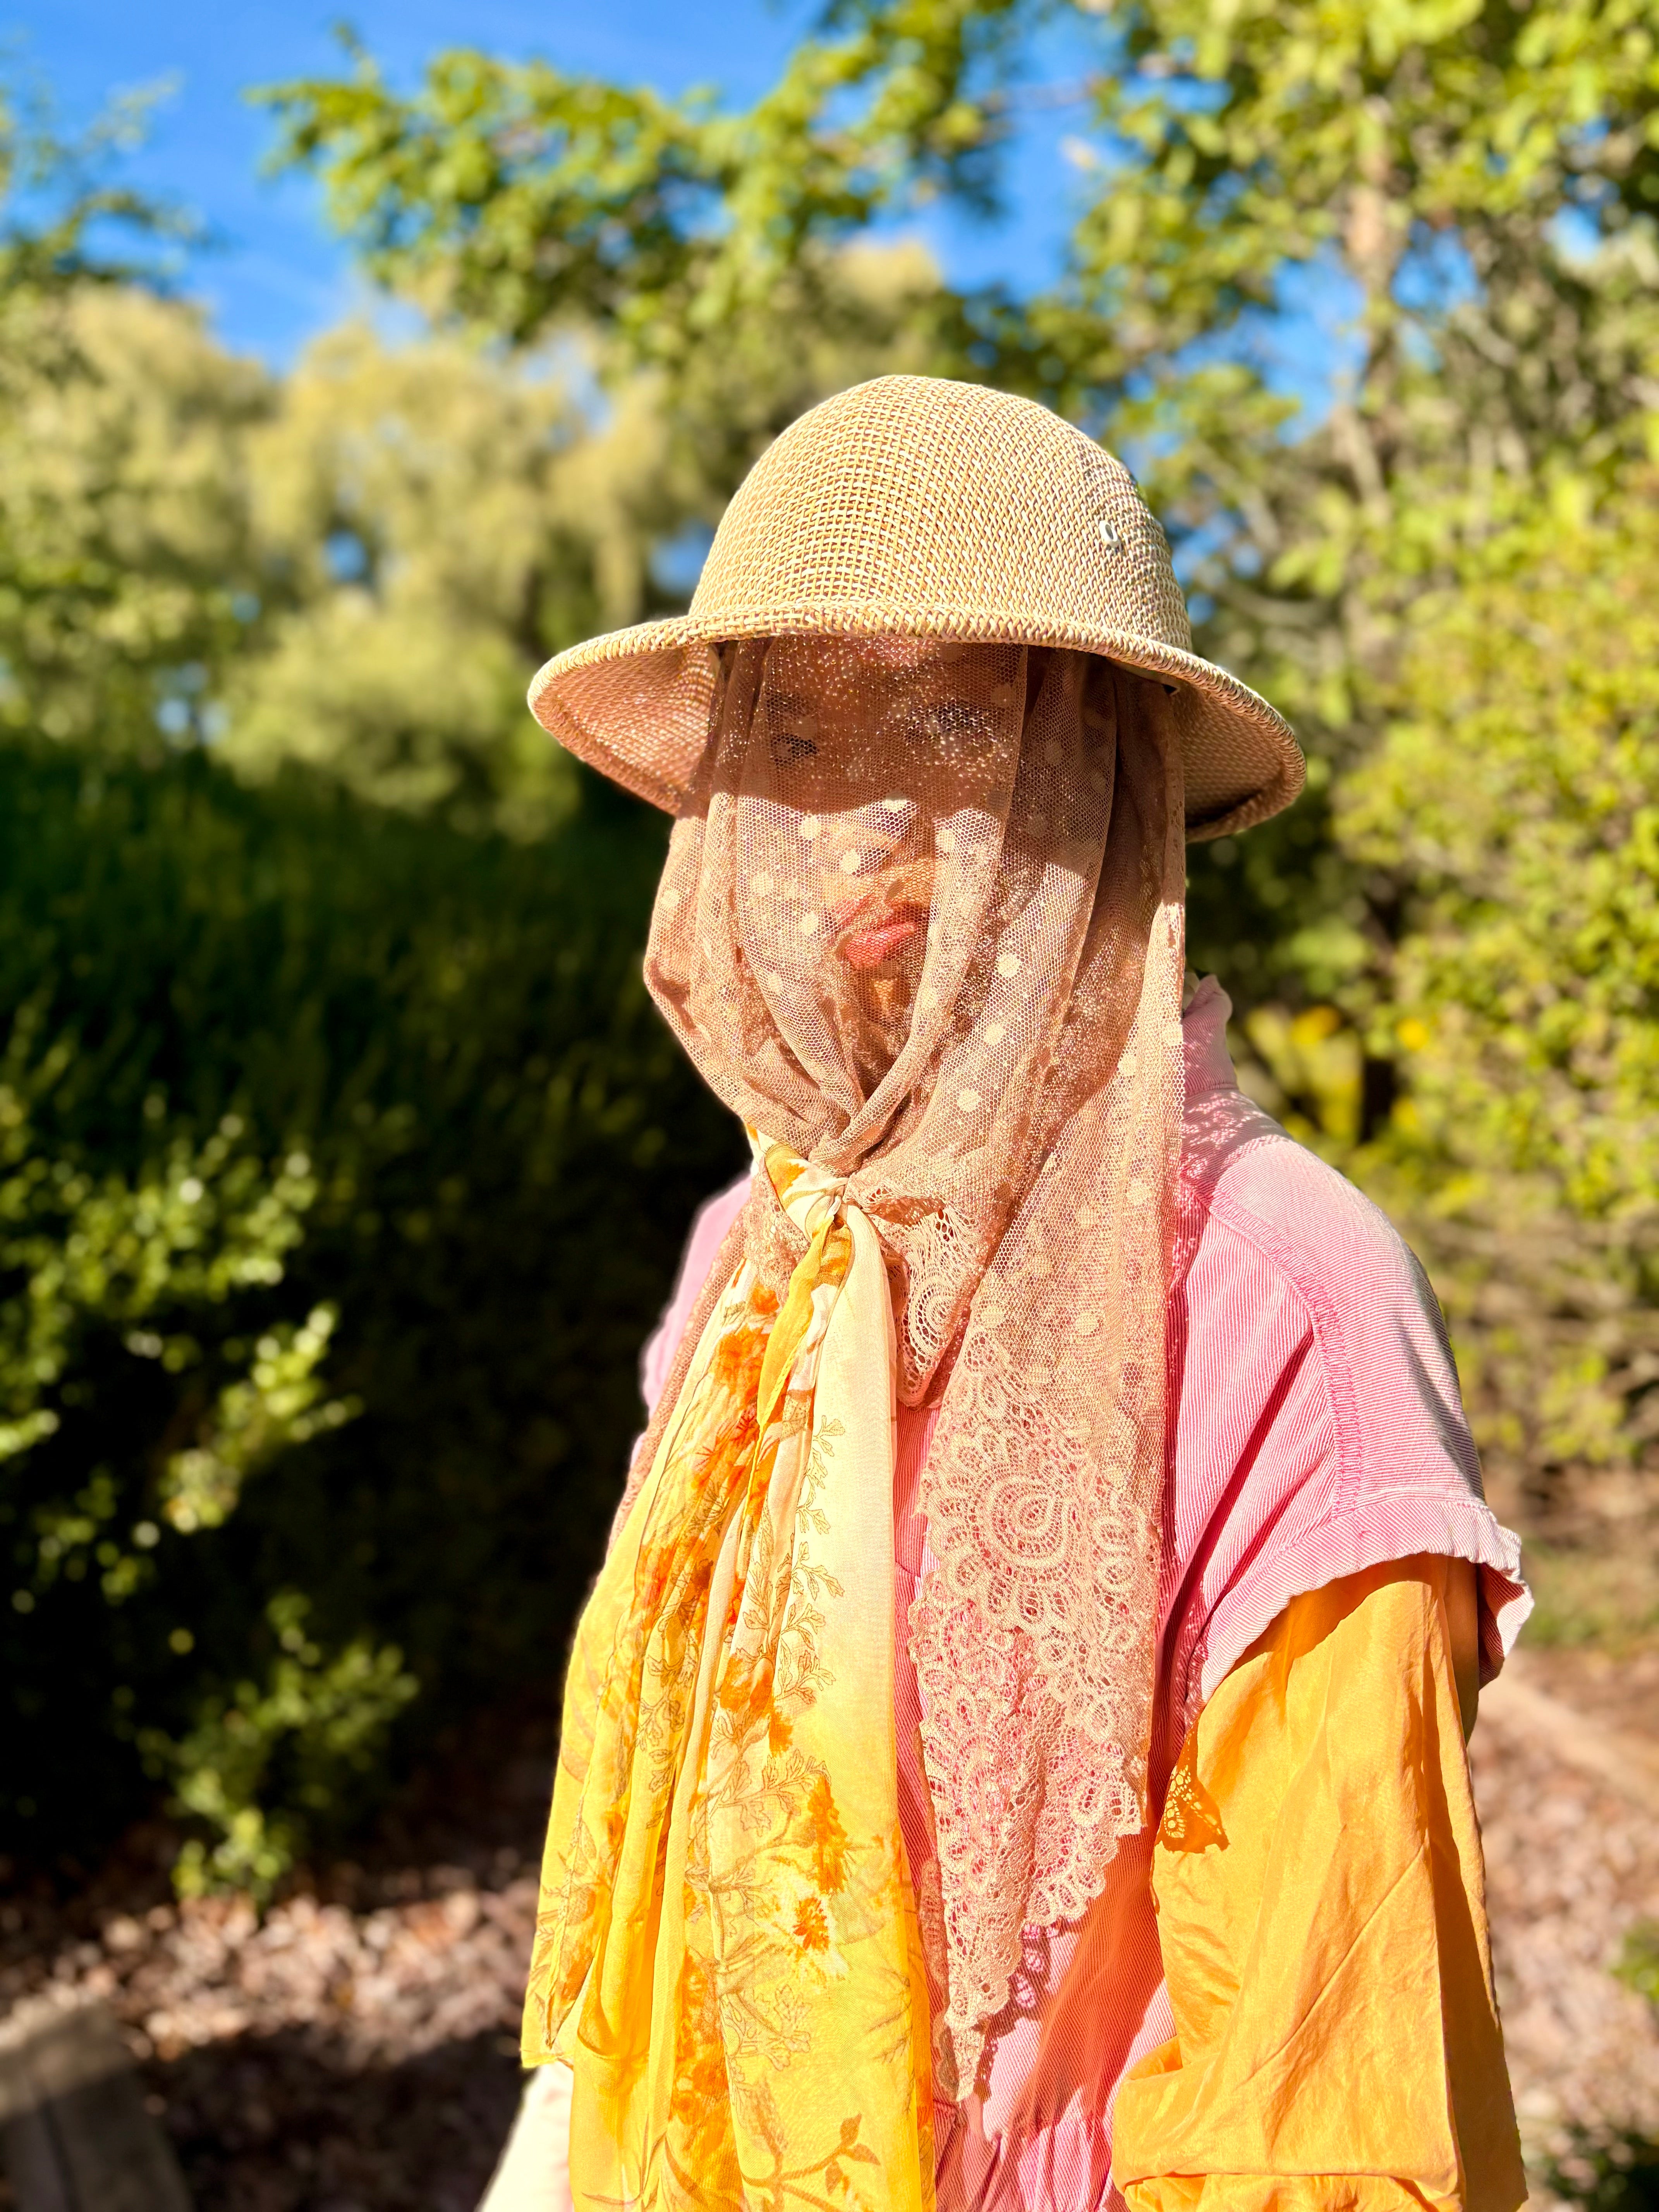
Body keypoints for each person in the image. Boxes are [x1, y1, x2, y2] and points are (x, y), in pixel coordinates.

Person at [479, 375, 1529, 2212]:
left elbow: (1328, 2110)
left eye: (962, 725)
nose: (874, 820)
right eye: (800, 735)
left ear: (1106, 784)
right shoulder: (763, 1248)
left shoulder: (1287, 1295)